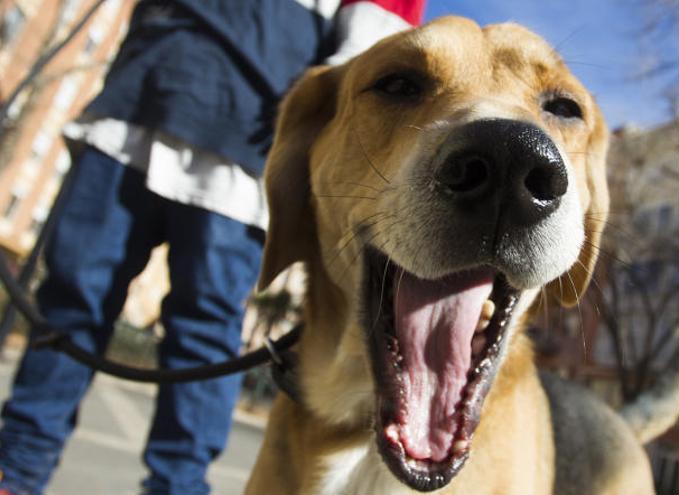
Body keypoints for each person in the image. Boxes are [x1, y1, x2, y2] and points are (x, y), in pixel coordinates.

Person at [0, 0, 425, 493]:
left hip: (244, 147)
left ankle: (177, 485)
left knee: (203, 333)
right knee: (72, 300)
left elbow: (367, 62)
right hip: (138, 97)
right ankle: (16, 470)